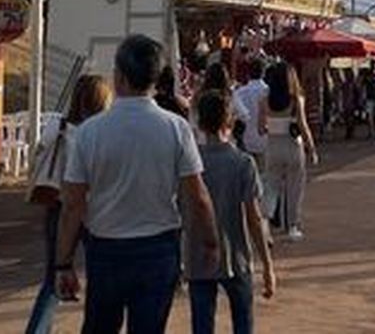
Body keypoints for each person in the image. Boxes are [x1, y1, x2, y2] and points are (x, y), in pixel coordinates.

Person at [55, 35, 221, 334]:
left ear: (119, 76)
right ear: (156, 79)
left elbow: (72, 205)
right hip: (158, 249)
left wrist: (63, 263)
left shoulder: (90, 132)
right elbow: (197, 196)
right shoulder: (176, 128)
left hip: (105, 250)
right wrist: (209, 242)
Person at [25, 74, 113, 334]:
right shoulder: (101, 132)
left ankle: (37, 330)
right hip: (92, 208)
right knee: (99, 275)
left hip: (58, 203)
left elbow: (40, 152)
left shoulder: (58, 124)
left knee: (54, 276)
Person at [188, 90, 276, 334]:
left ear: (200, 120)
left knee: (202, 325)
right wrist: (267, 264)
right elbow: (254, 217)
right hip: (235, 254)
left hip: (199, 255)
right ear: (229, 120)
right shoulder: (242, 163)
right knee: (243, 322)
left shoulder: (190, 164)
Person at [258, 62, 318, 242]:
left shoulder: (264, 100)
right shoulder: (296, 99)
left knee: (271, 186)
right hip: (293, 145)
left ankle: (265, 225)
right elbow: (303, 125)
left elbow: (261, 128)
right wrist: (312, 148)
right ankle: (293, 226)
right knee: (295, 188)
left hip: (272, 145)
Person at [233, 59, 269, 167]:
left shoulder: (239, 92)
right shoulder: (268, 91)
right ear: (263, 73)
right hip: (265, 139)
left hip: (245, 139)